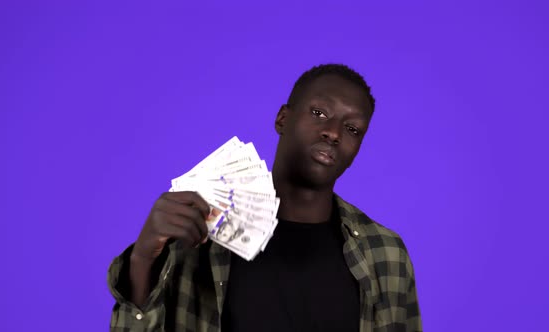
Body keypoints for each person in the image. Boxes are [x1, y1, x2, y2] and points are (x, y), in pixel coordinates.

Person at [108, 64, 422, 332]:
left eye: (352, 129)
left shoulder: (386, 253)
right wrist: (143, 258)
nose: (334, 133)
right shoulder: (195, 233)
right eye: (319, 112)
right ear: (282, 119)